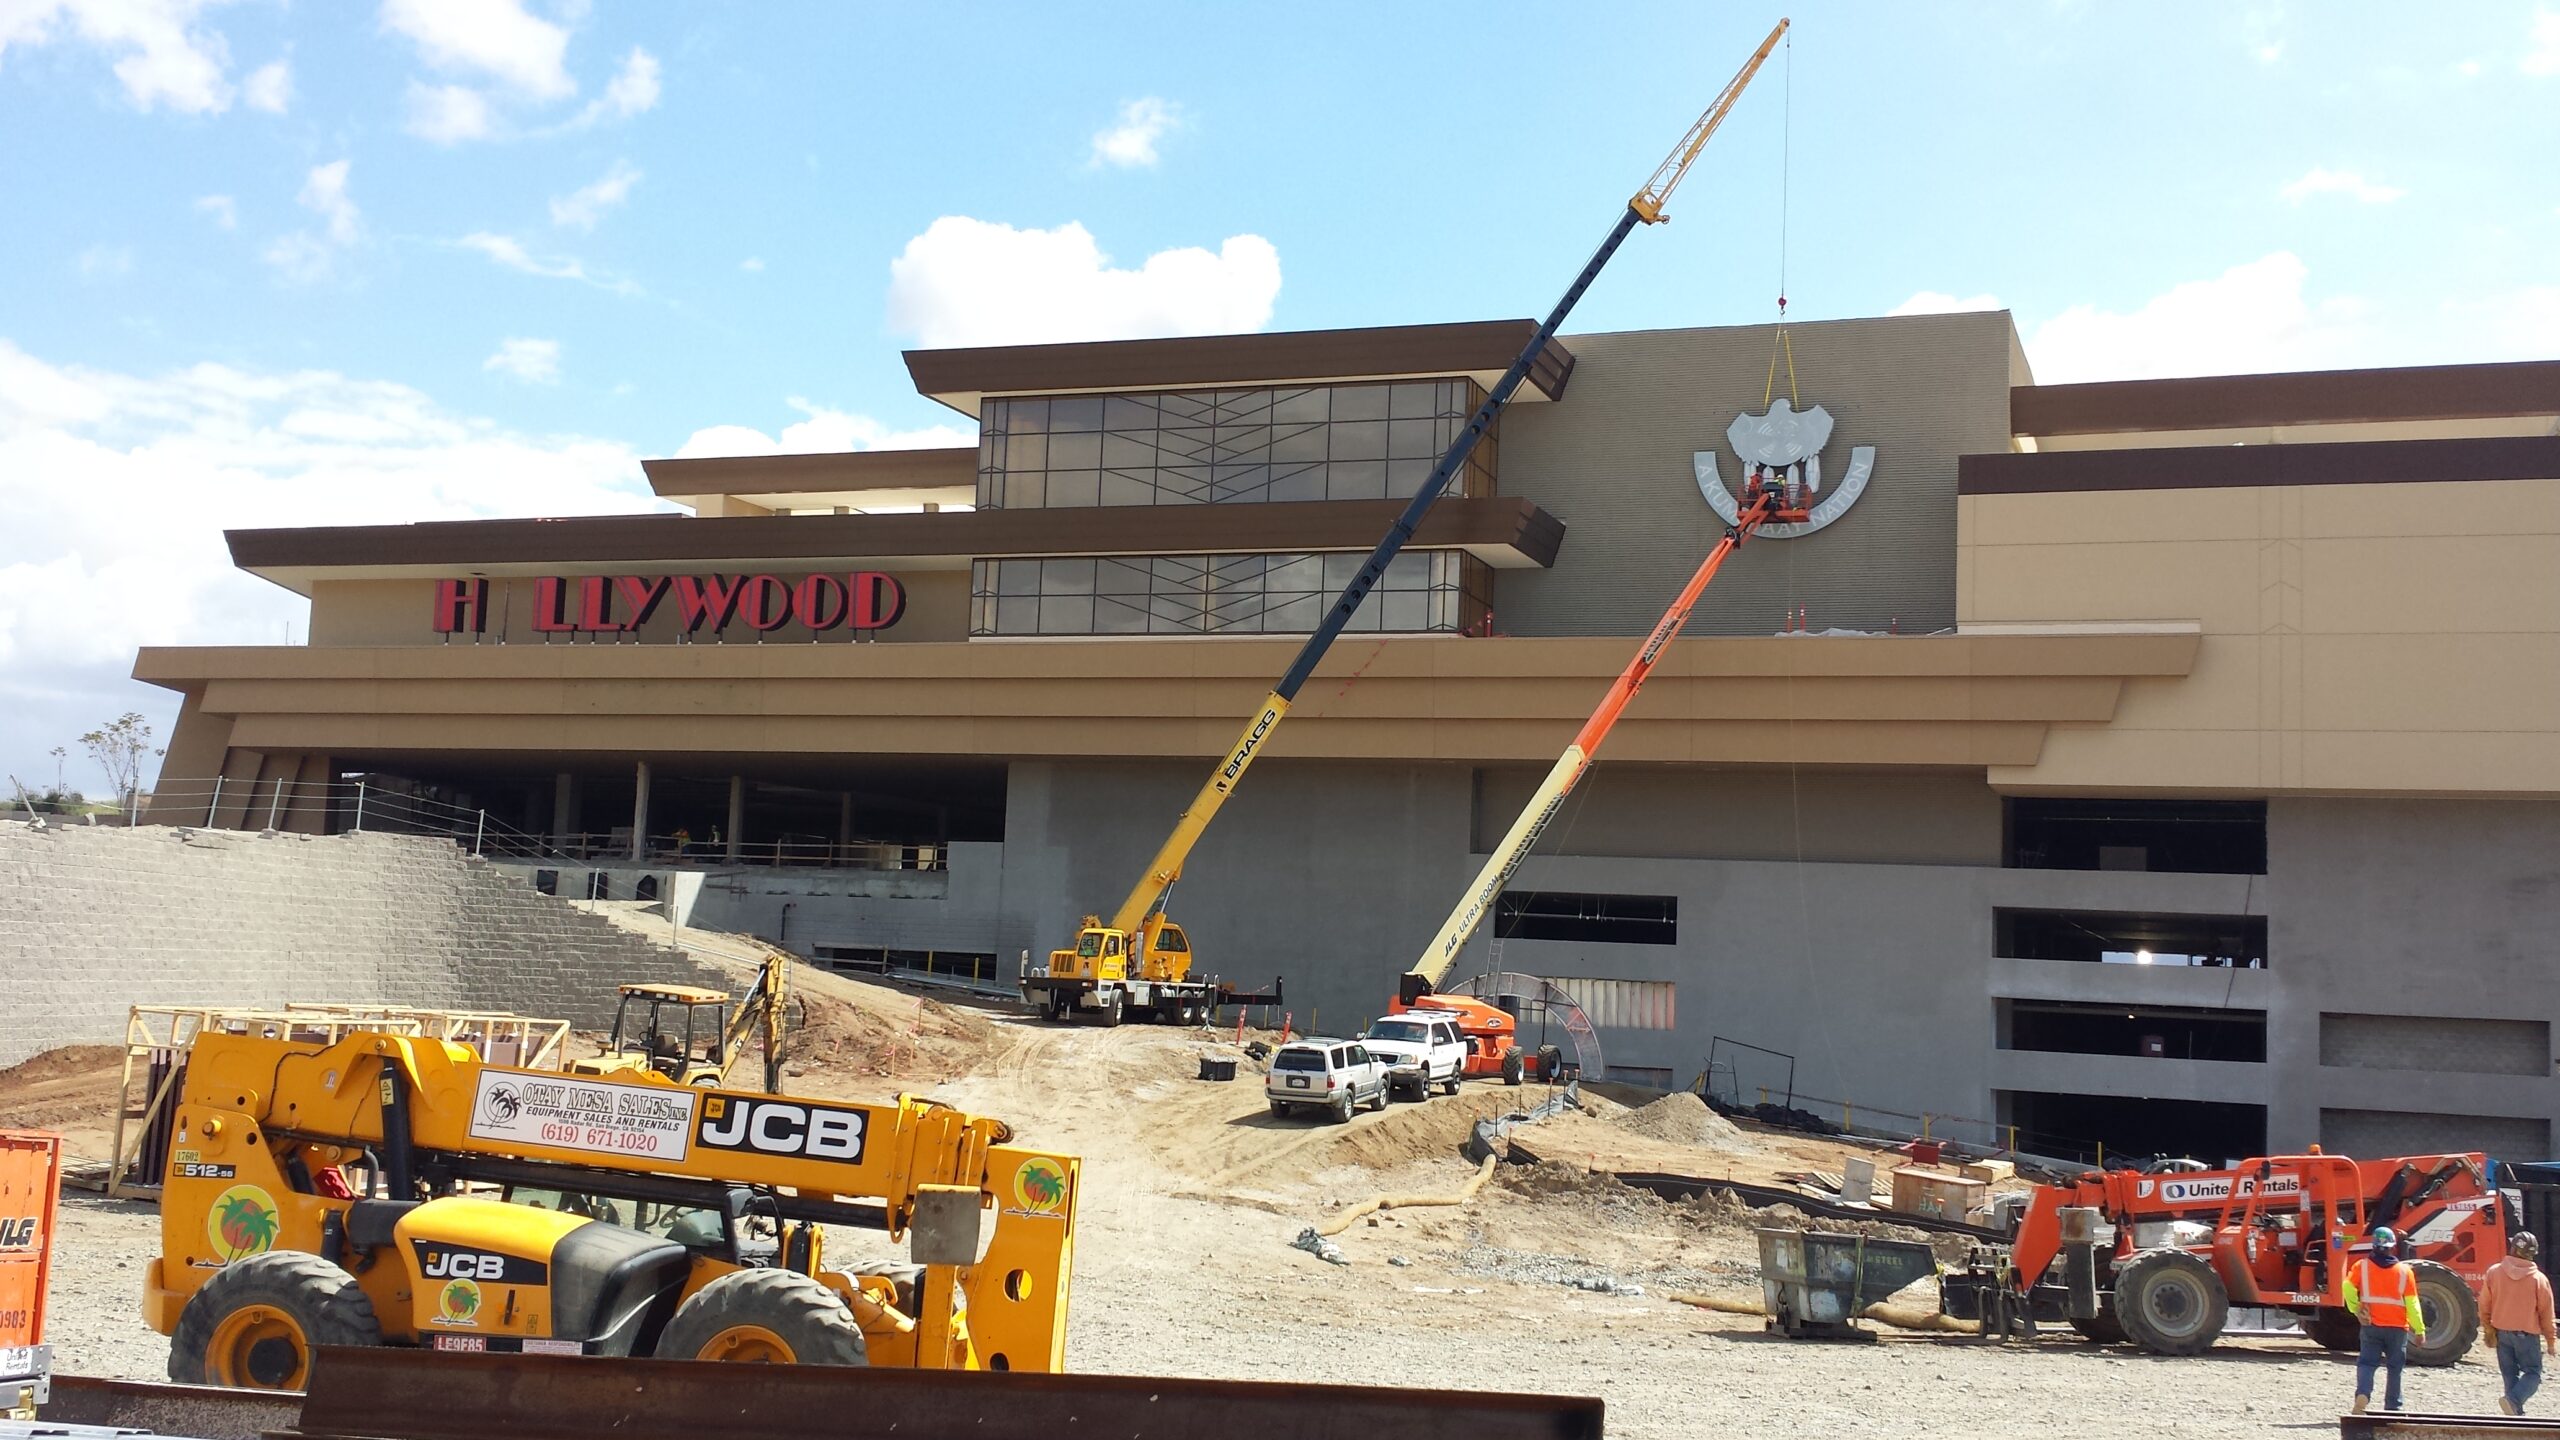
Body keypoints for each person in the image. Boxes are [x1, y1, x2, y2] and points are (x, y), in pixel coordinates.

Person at [2348, 1226, 2427, 1415]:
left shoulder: (2362, 1266)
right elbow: (2413, 1303)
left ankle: (2363, 1394)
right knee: (2395, 1367)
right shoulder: (2405, 1271)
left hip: (2371, 1325)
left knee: (2367, 1363)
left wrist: (2357, 1308)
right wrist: (2419, 1329)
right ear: (2393, 1247)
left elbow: (2347, 1287)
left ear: (2373, 1246)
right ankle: (2393, 1407)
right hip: (2397, 1328)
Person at [2479, 1231, 2558, 1415]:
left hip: (2501, 1333)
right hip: (2526, 1336)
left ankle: (2515, 1413)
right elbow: (2547, 1312)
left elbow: (2484, 1304)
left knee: (2509, 1375)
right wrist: (2551, 1341)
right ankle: (2513, 1402)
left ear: (2513, 1247)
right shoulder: (2538, 1279)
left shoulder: (2494, 1272)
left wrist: (2488, 1329)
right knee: (2533, 1374)